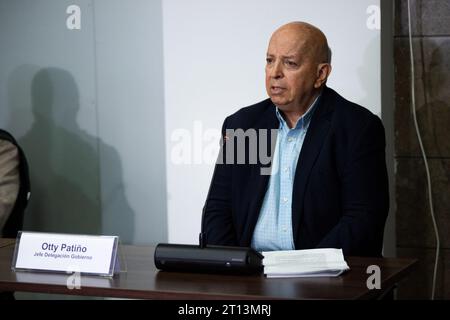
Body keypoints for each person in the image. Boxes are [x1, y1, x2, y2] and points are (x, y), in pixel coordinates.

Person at [203, 21, 389, 257]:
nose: (275, 72)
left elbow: (363, 219)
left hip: (322, 277)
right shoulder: (246, 125)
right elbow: (218, 211)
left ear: (320, 74)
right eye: (270, 60)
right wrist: (234, 266)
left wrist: (306, 268)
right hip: (249, 276)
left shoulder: (356, 128)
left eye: (290, 63)